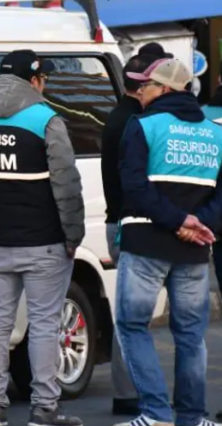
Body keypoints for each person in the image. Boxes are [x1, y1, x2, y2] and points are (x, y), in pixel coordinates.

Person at [0, 49, 85, 426]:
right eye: (44, 80)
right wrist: (73, 235)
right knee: (44, 324)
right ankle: (44, 408)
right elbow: (67, 187)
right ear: (34, 81)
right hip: (44, 243)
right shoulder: (46, 120)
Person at [114, 57, 222, 426]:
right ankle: (192, 418)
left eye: (145, 85)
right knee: (191, 334)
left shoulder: (142, 126)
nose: (140, 91)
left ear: (164, 89)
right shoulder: (215, 133)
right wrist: (196, 224)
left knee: (132, 325)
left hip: (146, 241)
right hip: (194, 249)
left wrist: (178, 221)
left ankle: (156, 413)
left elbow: (133, 186)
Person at [100, 53, 162, 417]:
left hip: (119, 222)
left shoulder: (117, 117)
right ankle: (129, 393)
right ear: (144, 86)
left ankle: (131, 391)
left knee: (132, 313)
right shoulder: (134, 122)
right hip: (131, 225)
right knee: (132, 316)